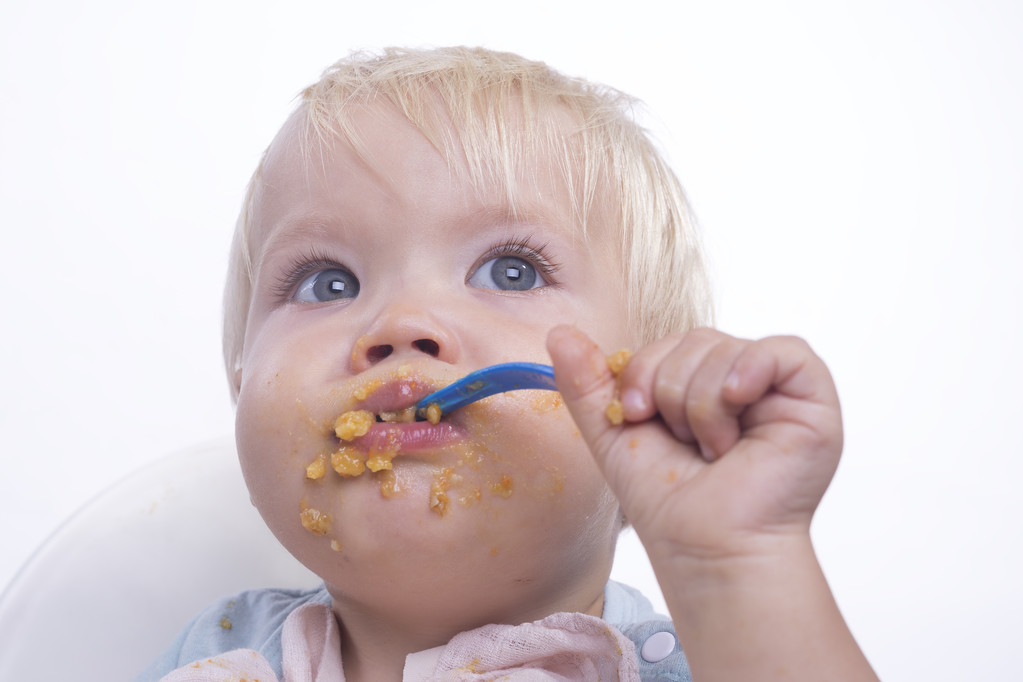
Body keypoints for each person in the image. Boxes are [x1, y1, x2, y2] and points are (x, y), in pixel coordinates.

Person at [137, 46, 878, 681]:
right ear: (241, 383)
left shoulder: (709, 663)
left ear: (643, 392)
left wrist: (736, 562)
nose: (401, 324)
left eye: (510, 272)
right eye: (327, 282)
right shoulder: (217, 657)